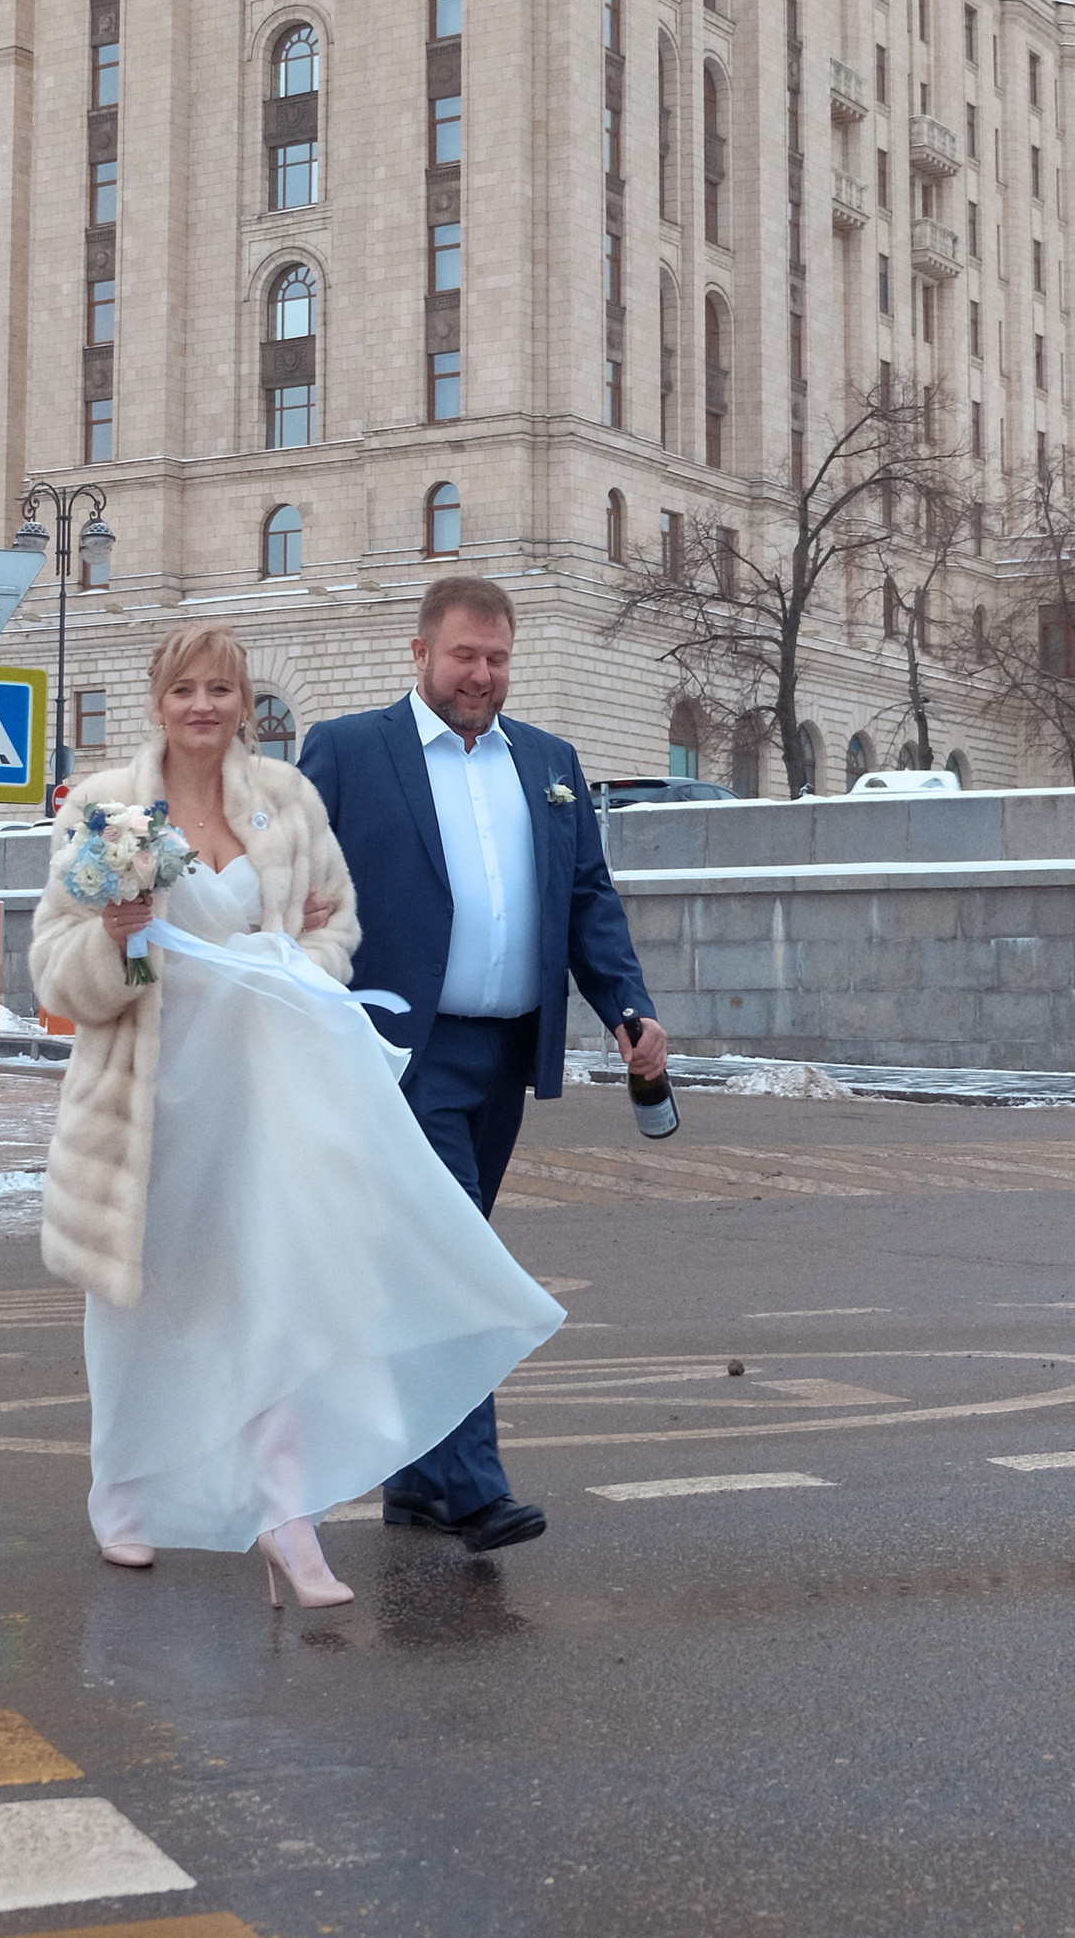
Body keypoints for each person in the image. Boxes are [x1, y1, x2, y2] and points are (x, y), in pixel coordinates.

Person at [29, 621, 564, 1608]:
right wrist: (122, 940)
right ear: (159, 700)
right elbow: (57, 967)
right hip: (154, 1092)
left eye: (222, 690)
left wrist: (289, 974)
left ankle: (286, 1516)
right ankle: (126, 1495)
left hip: (268, 1085)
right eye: (185, 689)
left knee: (276, 1294)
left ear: (244, 704)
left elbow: (334, 924)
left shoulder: (284, 804)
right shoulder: (106, 808)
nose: (204, 707)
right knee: (145, 1300)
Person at [301, 574, 668, 1552]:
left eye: (497, 657)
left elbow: (587, 897)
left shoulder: (546, 762)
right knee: (457, 1266)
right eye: (464, 655)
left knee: (431, 1268)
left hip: (501, 1058)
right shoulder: (349, 752)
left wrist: (626, 1007)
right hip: (396, 1058)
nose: (481, 674)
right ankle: (470, 1484)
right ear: (418, 653)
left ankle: (417, 1478)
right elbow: (285, 872)